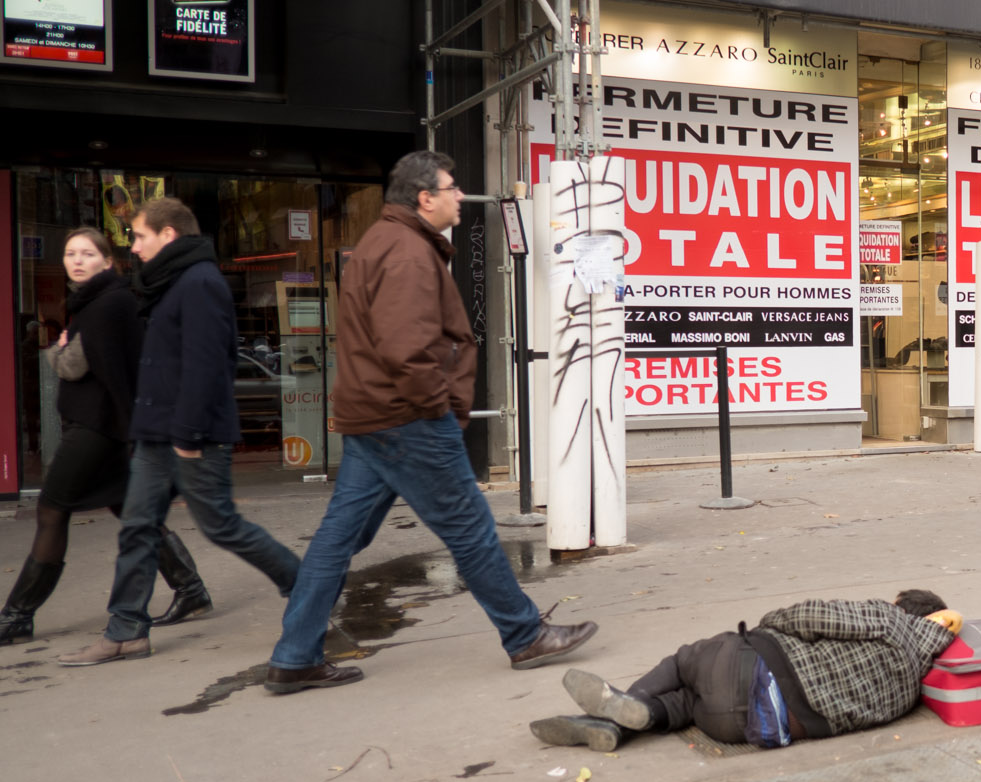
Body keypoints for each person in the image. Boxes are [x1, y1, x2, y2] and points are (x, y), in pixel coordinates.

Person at [264, 151, 596, 694]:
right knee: (469, 528)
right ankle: (524, 634)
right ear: (425, 198)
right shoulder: (407, 254)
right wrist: (438, 407)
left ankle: (295, 654)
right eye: (452, 187)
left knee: (337, 538)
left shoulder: (384, 242)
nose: (460, 195)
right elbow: (407, 350)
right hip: (408, 419)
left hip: (374, 418)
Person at [58, 200, 304, 667]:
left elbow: (207, 365)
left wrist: (188, 434)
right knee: (137, 527)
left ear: (168, 235)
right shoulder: (171, 284)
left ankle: (308, 588)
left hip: (191, 435)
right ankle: (126, 629)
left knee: (222, 525)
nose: (133, 247)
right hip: (157, 432)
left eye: (139, 237)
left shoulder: (201, 283)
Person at [0, 229, 208, 646]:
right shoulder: (94, 303)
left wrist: (141, 438)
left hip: (99, 427)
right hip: (107, 425)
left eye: (88, 253)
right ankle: (190, 589)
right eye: (70, 253)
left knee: (52, 509)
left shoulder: (108, 305)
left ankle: (17, 616)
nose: (77, 260)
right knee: (130, 510)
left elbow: (121, 375)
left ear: (107, 261)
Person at [528, 590, 959, 752]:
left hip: (748, 667)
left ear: (903, 607)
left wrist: (769, 624)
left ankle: (629, 705)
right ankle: (622, 726)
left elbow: (809, 616)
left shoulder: (887, 620)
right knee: (688, 705)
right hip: (751, 728)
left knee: (685, 661)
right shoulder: (912, 690)